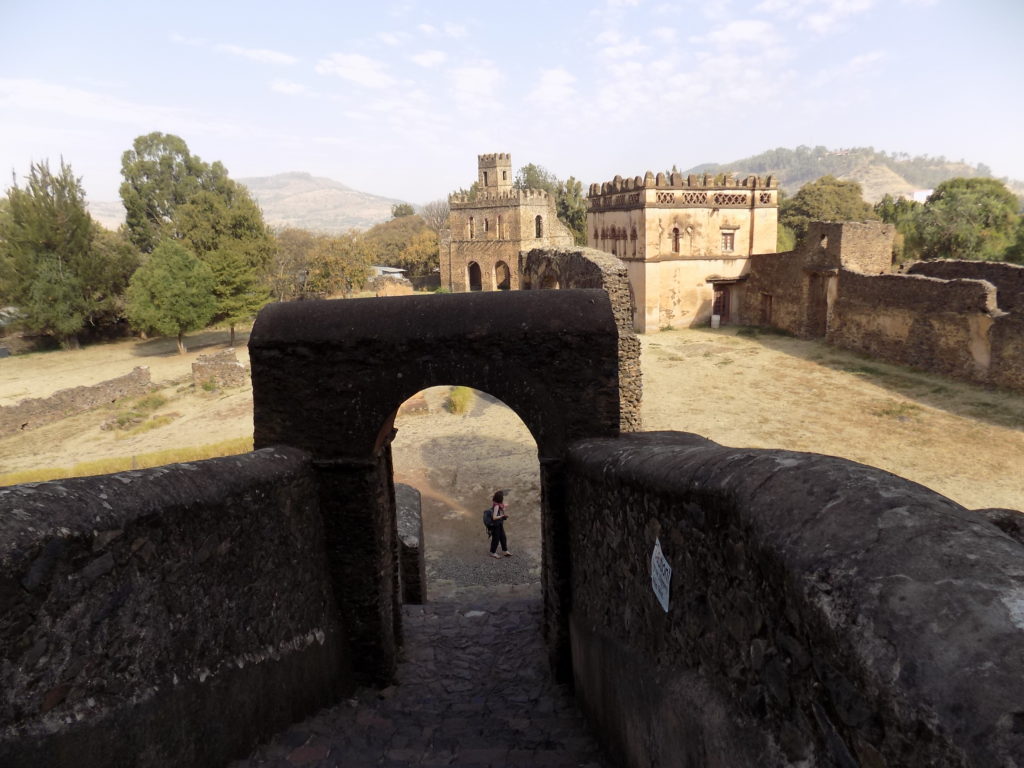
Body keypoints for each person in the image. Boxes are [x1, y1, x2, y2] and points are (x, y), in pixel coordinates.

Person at [488, 490, 512, 559]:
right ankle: (492, 552)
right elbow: (494, 517)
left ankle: (505, 551)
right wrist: (502, 516)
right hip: (495, 525)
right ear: (500, 499)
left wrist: (505, 506)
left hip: (499, 524)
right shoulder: (496, 506)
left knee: (503, 537)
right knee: (496, 538)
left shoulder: (497, 504)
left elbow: (502, 506)